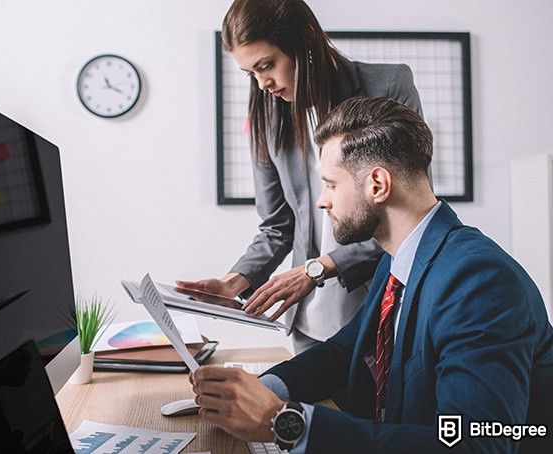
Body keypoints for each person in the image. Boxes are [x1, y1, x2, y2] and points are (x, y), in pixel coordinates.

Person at [190, 97, 553, 453]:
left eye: (331, 184)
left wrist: (282, 422)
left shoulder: (478, 282)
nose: (322, 200)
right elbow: (342, 353)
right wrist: (263, 390)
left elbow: (474, 445)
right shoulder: (398, 260)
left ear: (377, 184)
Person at [177, 0, 424, 353]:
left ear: (305, 41)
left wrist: (317, 269)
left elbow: (407, 213)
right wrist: (234, 281)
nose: (263, 84)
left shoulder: (388, 86)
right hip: (306, 321)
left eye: (267, 65)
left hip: (381, 311)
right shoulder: (268, 118)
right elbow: (277, 226)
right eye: (251, 74)